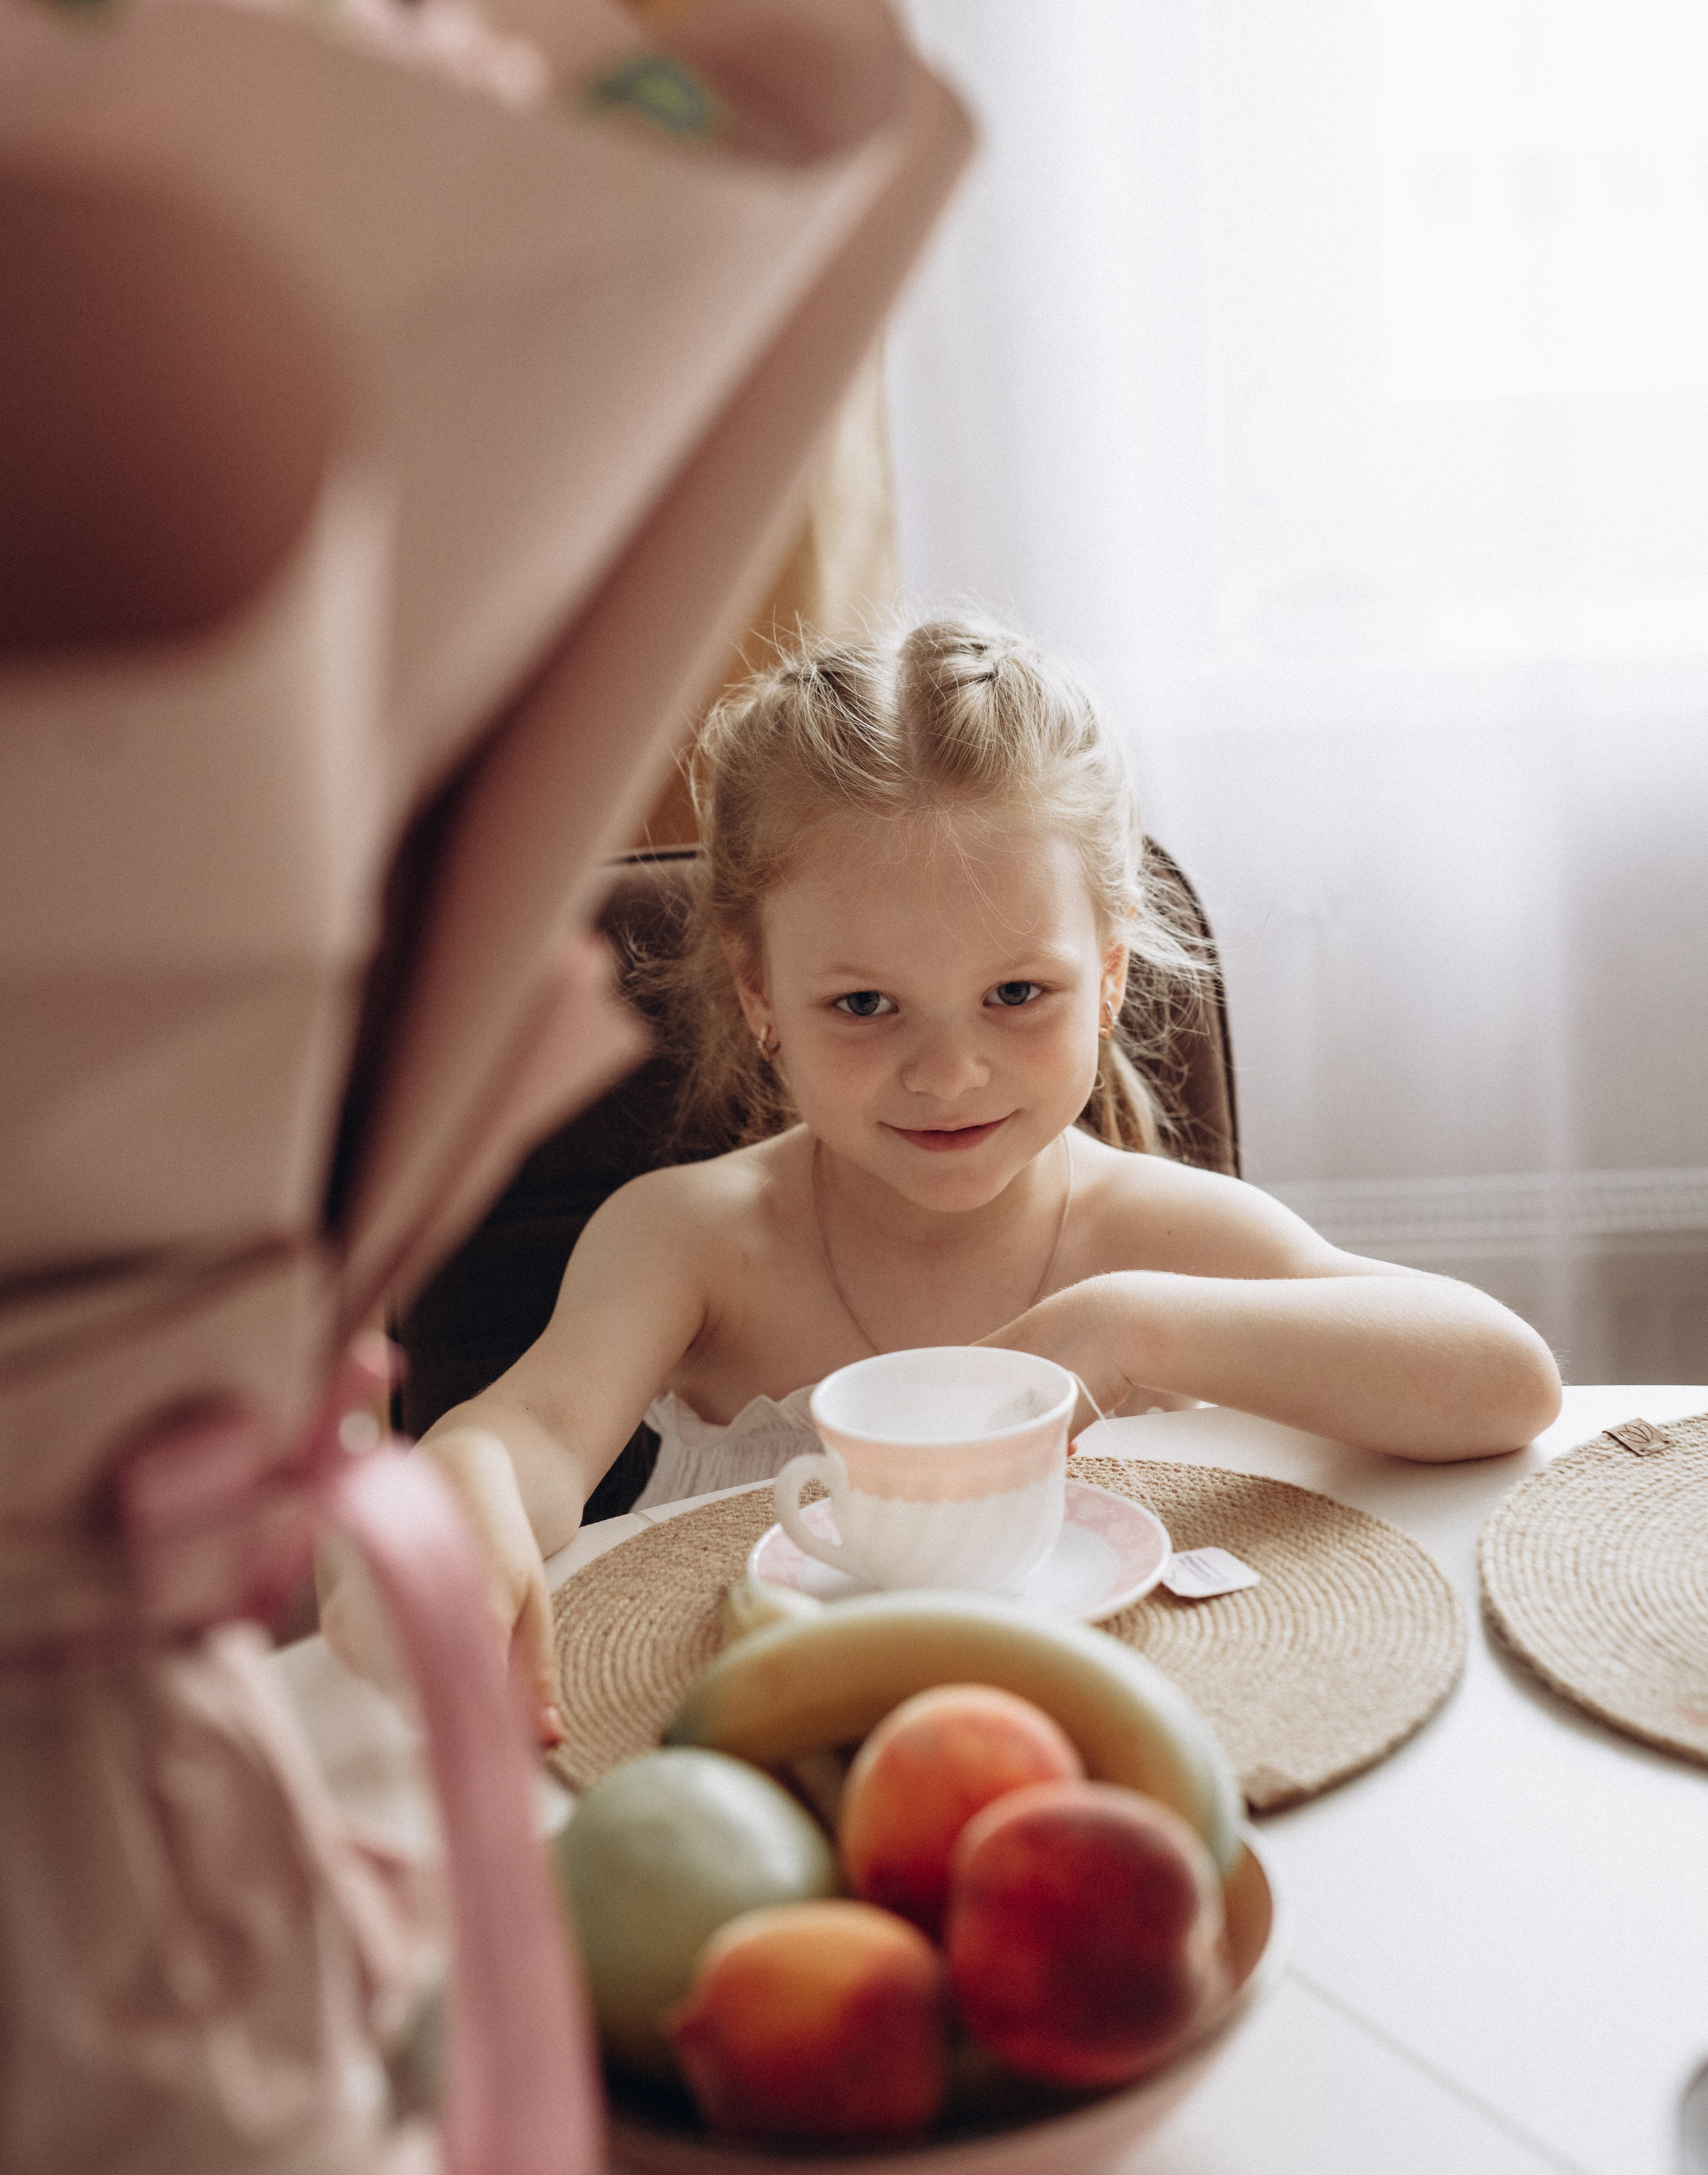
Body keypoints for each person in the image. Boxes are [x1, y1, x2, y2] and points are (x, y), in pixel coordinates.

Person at [326, 619, 1561, 1739]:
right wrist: (457, 1490)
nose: (949, 1074)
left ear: (1110, 976)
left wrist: (1122, 1327)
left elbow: (1505, 1381)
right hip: (780, 1776)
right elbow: (534, 1435)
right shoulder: (693, 1242)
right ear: (760, 995)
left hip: (1121, 1759)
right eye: (865, 1005)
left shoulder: (1154, 1238)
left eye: (1016, 993)